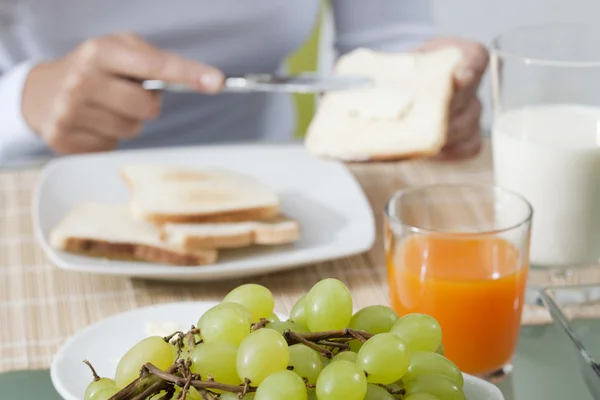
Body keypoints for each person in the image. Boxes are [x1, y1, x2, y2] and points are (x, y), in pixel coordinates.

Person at [0, 0, 488, 164]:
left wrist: (428, 91)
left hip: (273, 176)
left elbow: (387, 39)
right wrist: (23, 101)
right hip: (30, 185)